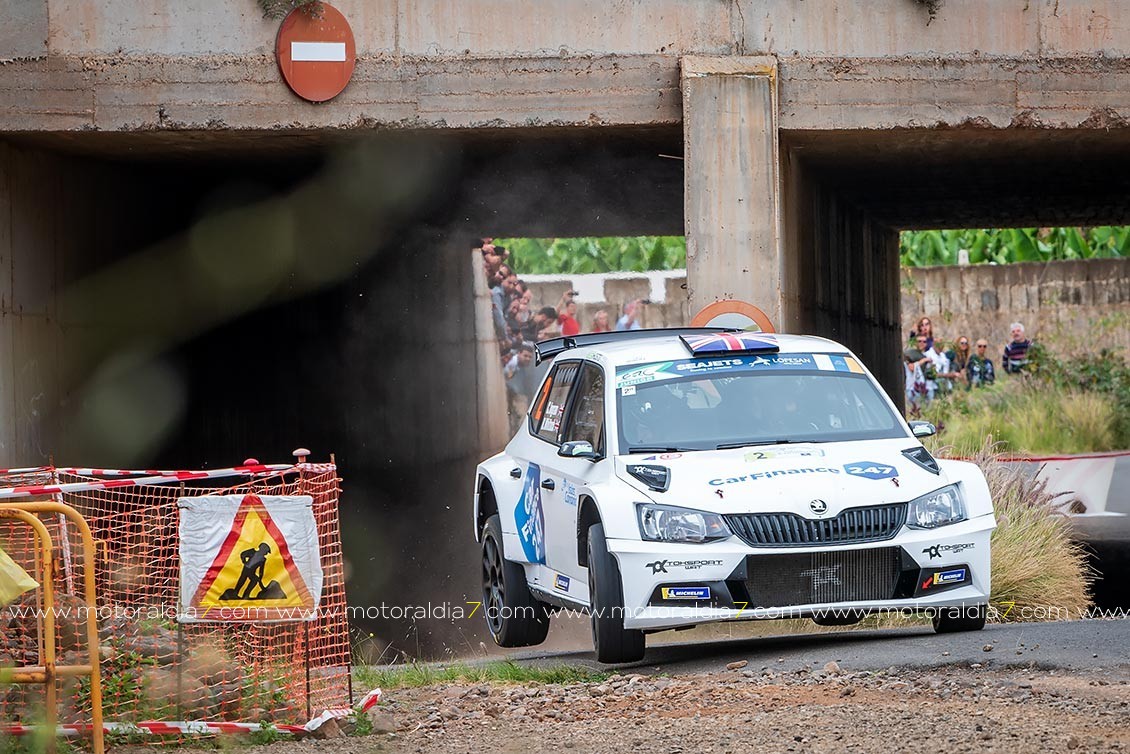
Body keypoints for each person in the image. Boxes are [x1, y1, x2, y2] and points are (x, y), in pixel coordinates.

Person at [504, 343, 540, 434]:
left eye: (529, 357)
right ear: (519, 353)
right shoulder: (511, 363)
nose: (527, 359)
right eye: (525, 356)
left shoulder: (521, 366)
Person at [903, 348, 929, 413]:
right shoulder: (908, 365)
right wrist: (924, 360)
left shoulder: (915, 365)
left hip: (915, 389)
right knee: (913, 407)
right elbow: (913, 367)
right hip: (910, 389)